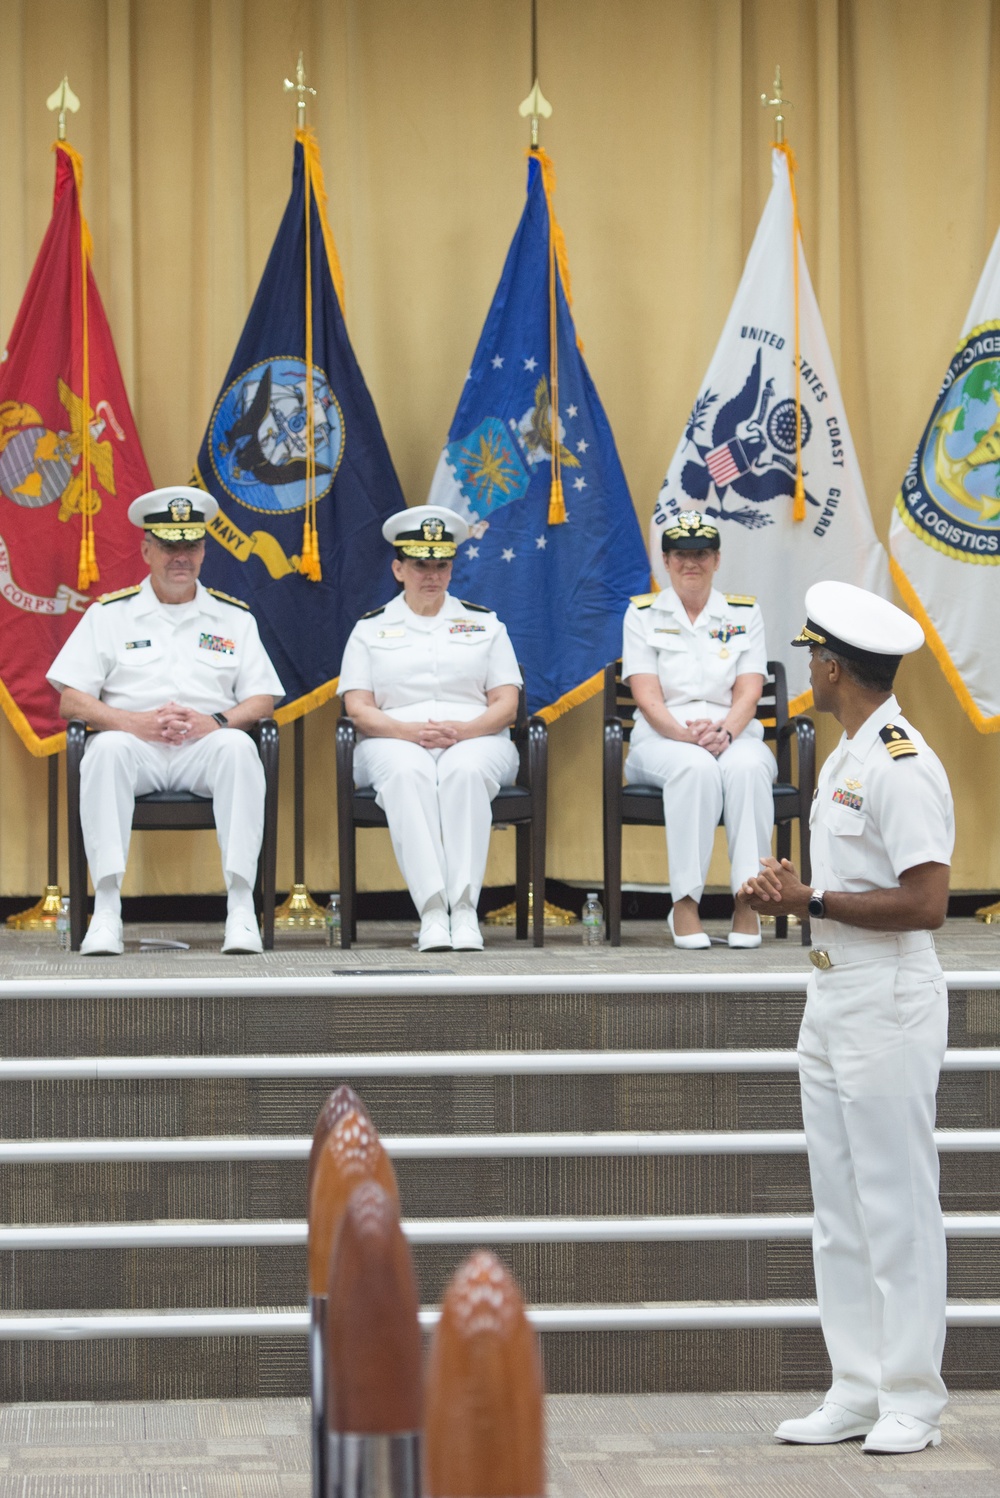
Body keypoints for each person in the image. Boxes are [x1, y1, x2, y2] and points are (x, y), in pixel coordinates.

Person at [741, 581, 954, 1456]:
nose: (810, 673)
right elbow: (838, 892)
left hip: (888, 999)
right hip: (831, 993)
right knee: (839, 1207)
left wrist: (813, 897)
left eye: (812, 660)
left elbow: (929, 901)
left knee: (897, 1204)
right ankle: (857, 1386)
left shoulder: (902, 762)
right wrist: (792, 898)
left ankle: (914, 1397)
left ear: (832, 667)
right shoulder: (846, 752)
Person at [47, 486, 284, 957]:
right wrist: (130, 723)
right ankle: (108, 911)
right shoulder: (108, 616)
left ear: (203, 550)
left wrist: (215, 721)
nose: (182, 557)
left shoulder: (233, 617)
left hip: (205, 747)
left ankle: (241, 909)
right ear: (147, 550)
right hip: (137, 748)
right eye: (170, 546)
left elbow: (262, 700)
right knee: (106, 750)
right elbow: (71, 700)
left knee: (240, 748)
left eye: (191, 546)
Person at [338, 505, 521, 952]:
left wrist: (464, 731)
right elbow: (358, 708)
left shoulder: (485, 623)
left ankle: (464, 909)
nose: (431, 575)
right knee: (408, 774)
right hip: (391, 738)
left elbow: (507, 704)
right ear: (398, 568)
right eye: (421, 564)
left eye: (441, 564)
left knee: (464, 772)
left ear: (452, 568)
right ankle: (434, 910)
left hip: (476, 736)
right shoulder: (369, 629)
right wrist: (408, 732)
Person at [621, 510, 776, 948]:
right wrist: (686, 736)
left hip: (733, 733)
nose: (692, 563)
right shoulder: (642, 614)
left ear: (717, 560)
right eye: (682, 555)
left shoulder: (744, 613)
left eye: (701, 554)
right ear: (666, 562)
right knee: (695, 768)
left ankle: (750, 901)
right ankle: (685, 903)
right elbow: (646, 695)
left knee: (748, 769)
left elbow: (749, 690)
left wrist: (725, 732)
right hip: (662, 739)